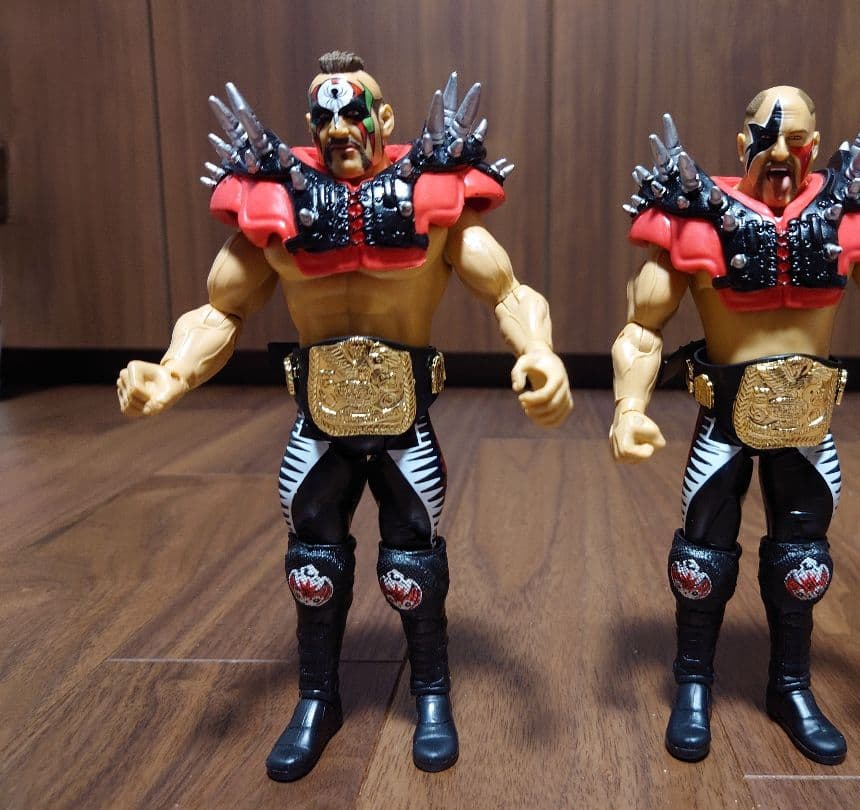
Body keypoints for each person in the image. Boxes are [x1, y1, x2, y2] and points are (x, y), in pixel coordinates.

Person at [117, 50, 572, 781]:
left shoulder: (434, 198)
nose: (339, 128)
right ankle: (316, 699)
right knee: (312, 564)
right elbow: (222, 307)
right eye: (324, 117)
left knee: (413, 562)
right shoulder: (278, 206)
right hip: (318, 421)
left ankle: (430, 693)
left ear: (383, 118)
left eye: (353, 112)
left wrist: (541, 353)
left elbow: (509, 291)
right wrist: (172, 372)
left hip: (404, 420)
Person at [610, 85, 860, 765]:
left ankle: (791, 685)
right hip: (723, 419)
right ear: (742, 143)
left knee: (803, 561)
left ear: (815, 146)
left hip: (806, 422)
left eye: (795, 141)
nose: (779, 154)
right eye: (766, 139)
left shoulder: (846, 215)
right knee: (701, 558)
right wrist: (629, 408)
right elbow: (643, 327)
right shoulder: (694, 218)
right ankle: (692, 682)